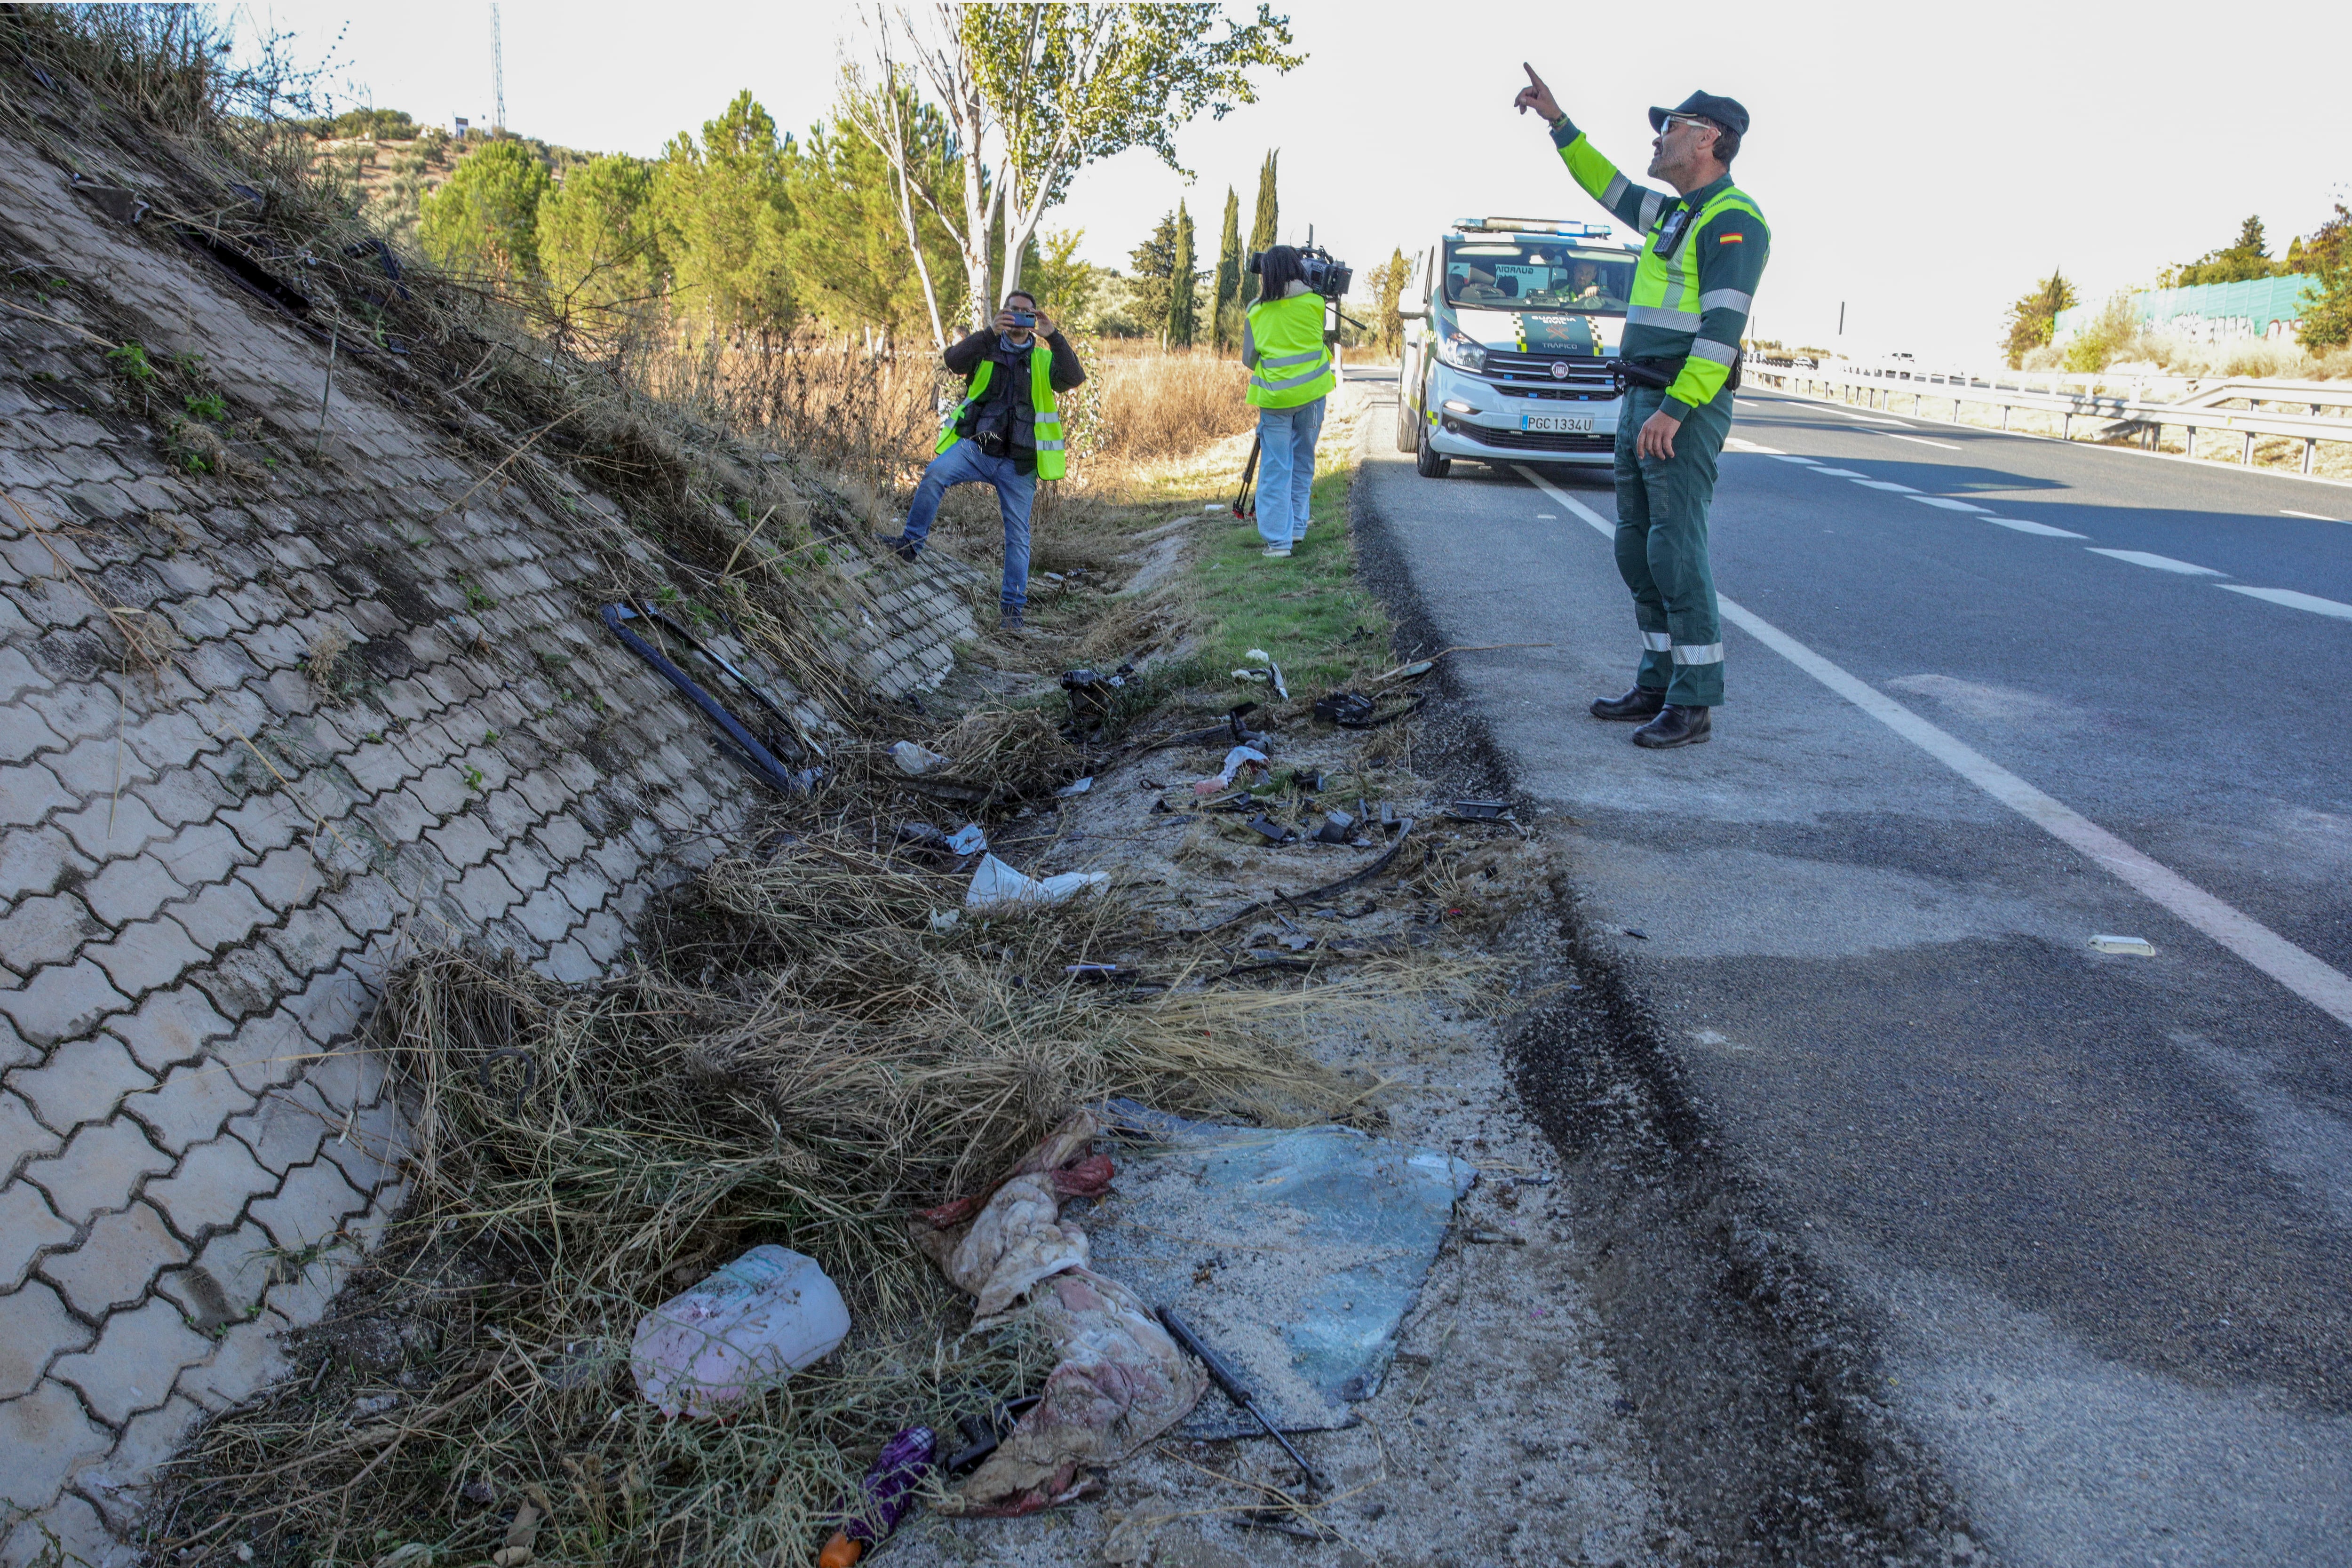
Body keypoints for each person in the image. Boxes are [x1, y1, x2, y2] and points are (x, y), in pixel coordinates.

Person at [1514, 71, 1771, 749]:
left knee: (1676, 549)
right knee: (1637, 547)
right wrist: (1559, 121)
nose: (1658, 139)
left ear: (1709, 139)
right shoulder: (1675, 213)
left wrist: (1677, 409)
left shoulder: (1734, 219)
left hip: (1679, 404)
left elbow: (1721, 332)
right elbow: (1607, 185)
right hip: (1643, 397)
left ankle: (1695, 700)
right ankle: (1657, 681)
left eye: (1672, 128)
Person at [883, 290, 1086, 632]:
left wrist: (1055, 337)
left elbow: (1075, 377)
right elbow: (953, 361)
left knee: (1018, 537)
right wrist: (989, 332)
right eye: (1013, 311)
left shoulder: (1042, 359)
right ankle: (910, 545)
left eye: (1026, 313)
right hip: (977, 448)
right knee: (935, 474)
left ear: (1034, 319)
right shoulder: (986, 349)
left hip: (1020, 464)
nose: (1019, 318)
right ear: (1004, 314)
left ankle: (1012, 613)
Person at [1242, 246, 1337, 559]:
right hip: (1312, 396)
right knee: (1303, 462)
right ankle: (1297, 527)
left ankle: (1279, 542)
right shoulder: (1315, 304)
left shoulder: (1256, 311)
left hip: (1276, 400)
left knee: (1275, 468)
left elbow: (1249, 359)